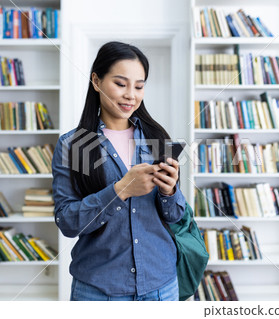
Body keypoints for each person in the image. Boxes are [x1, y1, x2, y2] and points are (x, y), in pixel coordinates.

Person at [52, 41, 186, 301]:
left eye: (139, 86)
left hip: (161, 286)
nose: (131, 95)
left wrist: (169, 192)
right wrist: (120, 190)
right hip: (98, 291)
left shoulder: (156, 138)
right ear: (96, 81)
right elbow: (67, 221)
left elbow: (175, 215)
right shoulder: (75, 145)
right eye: (121, 84)